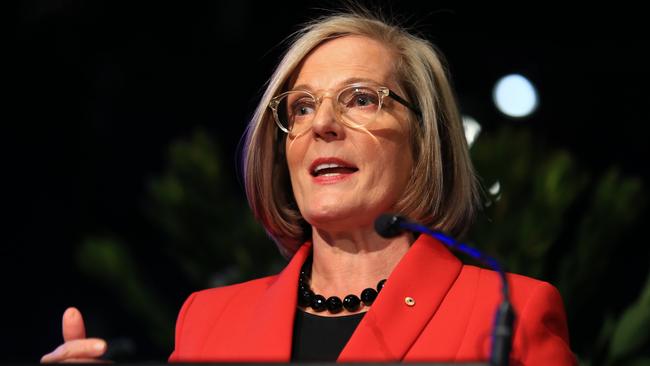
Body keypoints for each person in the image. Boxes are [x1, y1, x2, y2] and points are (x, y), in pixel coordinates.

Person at [41, 8, 577, 365]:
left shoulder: (511, 312)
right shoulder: (208, 322)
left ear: (425, 137)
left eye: (361, 98)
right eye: (301, 106)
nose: (323, 125)